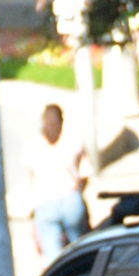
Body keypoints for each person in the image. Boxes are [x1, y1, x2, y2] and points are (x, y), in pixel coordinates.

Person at [23, 104, 92, 258]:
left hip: (44, 203)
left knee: (52, 257)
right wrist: (78, 193)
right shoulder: (74, 142)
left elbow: (30, 180)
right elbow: (85, 174)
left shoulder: (32, 146)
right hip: (71, 200)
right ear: (62, 121)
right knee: (79, 251)